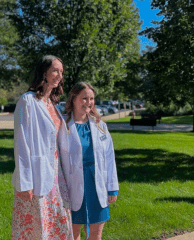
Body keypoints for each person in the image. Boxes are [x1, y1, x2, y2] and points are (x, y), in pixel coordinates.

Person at [11, 55, 73, 240]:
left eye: (61, 72)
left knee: (57, 226)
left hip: (57, 177)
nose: (59, 75)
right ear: (43, 72)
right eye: (55, 70)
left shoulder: (52, 104)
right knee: (36, 229)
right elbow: (21, 143)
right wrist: (25, 183)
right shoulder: (28, 101)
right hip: (36, 178)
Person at [59, 82, 119, 240]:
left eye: (91, 98)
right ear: (73, 99)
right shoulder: (62, 126)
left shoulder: (100, 126)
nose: (89, 102)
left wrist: (112, 188)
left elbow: (109, 159)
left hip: (97, 186)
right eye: (84, 98)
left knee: (96, 234)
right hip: (73, 187)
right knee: (73, 233)